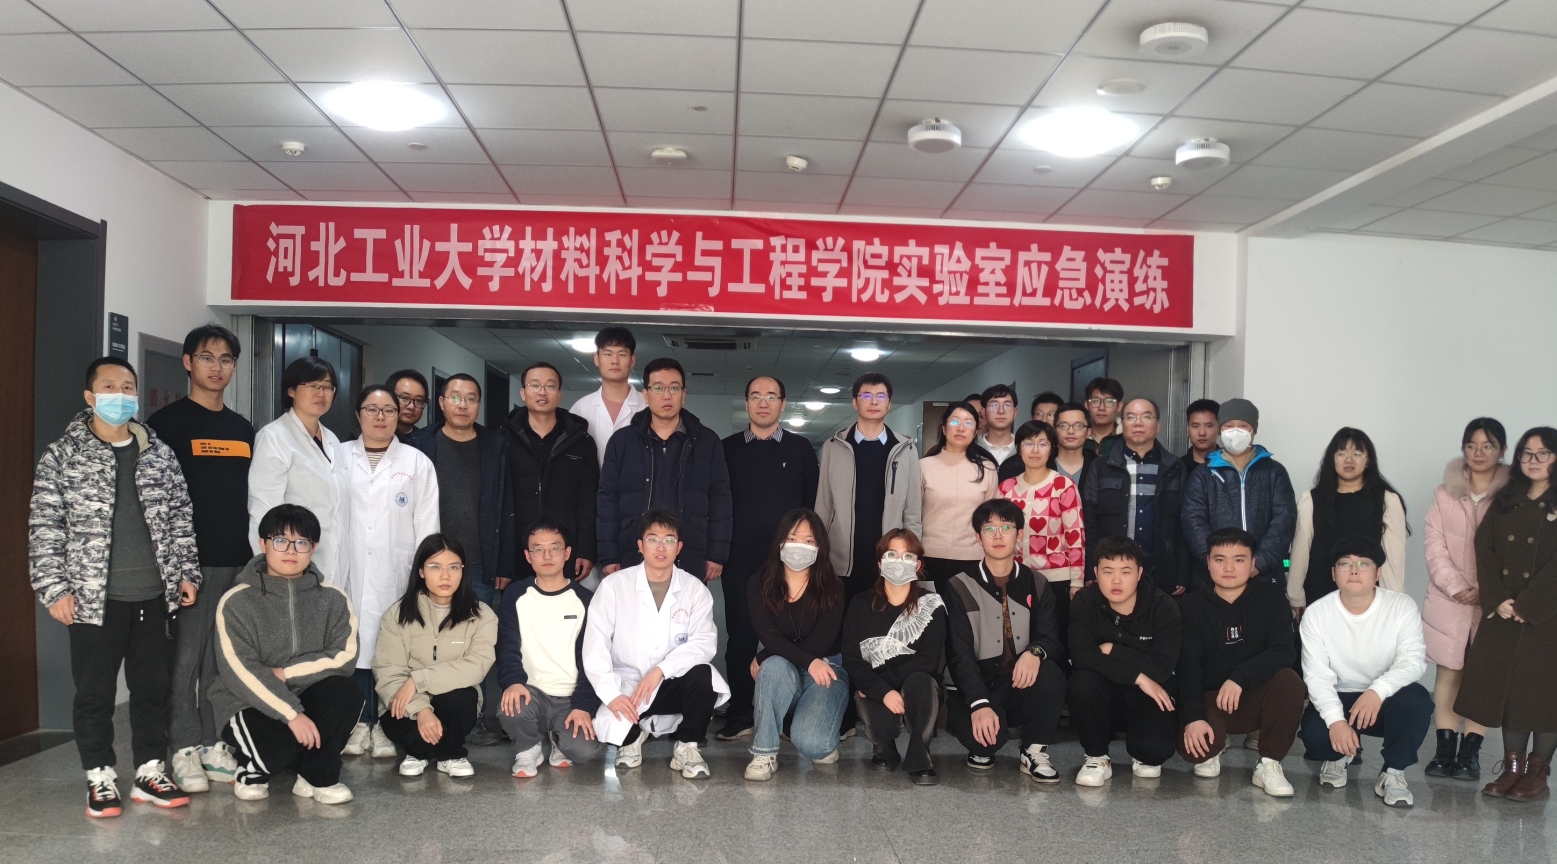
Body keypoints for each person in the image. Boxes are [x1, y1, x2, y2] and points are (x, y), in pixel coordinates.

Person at [31, 357, 201, 817]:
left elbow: (180, 516)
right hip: (93, 600)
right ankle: (100, 774)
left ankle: (150, 770)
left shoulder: (158, 452)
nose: (120, 395)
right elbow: (45, 526)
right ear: (90, 396)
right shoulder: (63, 455)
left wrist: (187, 573)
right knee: (95, 694)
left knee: (152, 690)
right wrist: (54, 589)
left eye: (128, 387)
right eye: (109, 387)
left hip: (154, 595)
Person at [149, 325, 254, 792]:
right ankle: (184, 747)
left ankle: (215, 743)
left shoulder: (242, 428)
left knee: (222, 659)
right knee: (185, 661)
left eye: (226, 359)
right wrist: (172, 564)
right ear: (188, 362)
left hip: (239, 559)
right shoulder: (166, 426)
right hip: (191, 564)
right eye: (207, 357)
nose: (217, 367)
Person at [212, 504, 362, 804]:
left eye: (301, 542)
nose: (291, 550)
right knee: (278, 751)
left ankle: (317, 776)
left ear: (313, 547)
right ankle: (252, 769)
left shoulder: (333, 598)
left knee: (345, 691)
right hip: (247, 699)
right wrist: (292, 714)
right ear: (263, 544)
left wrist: (286, 673)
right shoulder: (236, 601)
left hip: (307, 692)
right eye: (280, 540)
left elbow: (344, 656)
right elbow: (239, 670)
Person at [583, 509, 729, 778]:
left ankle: (687, 745)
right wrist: (611, 694)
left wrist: (661, 670)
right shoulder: (614, 586)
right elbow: (595, 645)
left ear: (679, 547)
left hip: (671, 683)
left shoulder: (694, 589)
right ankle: (632, 739)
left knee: (704, 675)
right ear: (640, 545)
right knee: (619, 724)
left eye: (669, 540)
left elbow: (704, 642)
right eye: (653, 539)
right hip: (626, 686)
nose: (661, 547)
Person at [408, 372, 511, 744]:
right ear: (441, 402)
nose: (462, 405)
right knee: (425, 639)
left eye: (470, 398)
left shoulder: (496, 445)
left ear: (478, 404)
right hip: (431, 560)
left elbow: (507, 505)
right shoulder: (419, 443)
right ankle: (423, 713)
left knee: (472, 642)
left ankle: (475, 718)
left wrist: (503, 562)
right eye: (455, 397)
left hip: (479, 561)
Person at [1457, 426, 1557, 802]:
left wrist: (1530, 605)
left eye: (1543, 453)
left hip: (1547, 617)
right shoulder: (1507, 498)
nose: (1533, 460)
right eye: (1527, 453)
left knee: (1543, 697)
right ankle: (1512, 770)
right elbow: (1484, 547)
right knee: (1511, 694)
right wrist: (1497, 598)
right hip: (1504, 612)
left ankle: (1537, 774)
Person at [340, 384, 440, 760]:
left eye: (389, 410)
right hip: (347, 568)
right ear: (358, 414)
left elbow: (427, 526)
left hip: (396, 573)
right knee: (352, 647)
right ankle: (356, 723)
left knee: (390, 651)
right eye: (372, 409)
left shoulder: (416, 463)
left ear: (399, 417)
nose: (380, 417)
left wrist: (425, 578)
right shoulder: (337, 456)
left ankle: (382, 724)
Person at [717, 375, 819, 742]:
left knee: (792, 635)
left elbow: (812, 508)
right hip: (739, 561)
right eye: (756, 396)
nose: (763, 403)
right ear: (746, 402)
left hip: (791, 565)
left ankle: (788, 714)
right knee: (741, 638)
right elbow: (718, 504)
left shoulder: (800, 449)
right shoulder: (726, 449)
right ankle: (741, 712)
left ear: (783, 403)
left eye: (771, 396)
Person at [1298, 535, 1430, 808]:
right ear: (1334, 574)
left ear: (1378, 573)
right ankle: (1339, 756)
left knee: (1416, 700)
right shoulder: (1317, 614)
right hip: (1341, 695)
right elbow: (1317, 675)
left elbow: (1413, 661)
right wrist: (1336, 721)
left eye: (1364, 563)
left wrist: (1377, 691)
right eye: (1345, 564)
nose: (1354, 570)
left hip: (1386, 698)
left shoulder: (1401, 606)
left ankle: (1393, 772)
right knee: (1315, 736)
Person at [942, 499, 1066, 782]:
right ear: (978, 537)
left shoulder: (1037, 582)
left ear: (1019, 535)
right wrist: (979, 704)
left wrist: (1034, 652)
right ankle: (983, 731)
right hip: (979, 685)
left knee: (1050, 672)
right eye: (989, 529)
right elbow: (959, 653)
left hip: (1020, 683)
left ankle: (1034, 750)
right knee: (983, 746)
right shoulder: (959, 585)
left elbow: (1050, 637)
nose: (998, 536)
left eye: (1006, 528)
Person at [1176, 528, 1304, 796]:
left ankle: (1269, 764)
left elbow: (1284, 651)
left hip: (1253, 696)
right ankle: (1215, 744)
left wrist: (1240, 677)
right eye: (1220, 559)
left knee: (1289, 681)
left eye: (1239, 559)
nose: (1229, 568)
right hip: (1211, 699)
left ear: (1252, 562)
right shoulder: (1189, 606)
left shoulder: (1272, 599)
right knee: (1195, 753)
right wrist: (1194, 717)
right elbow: (1187, 667)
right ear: (1208, 562)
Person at [1421, 417, 1508, 781]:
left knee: (1483, 677)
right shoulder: (1445, 493)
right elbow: (1434, 545)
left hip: (1496, 601)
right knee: (1448, 673)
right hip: (1449, 600)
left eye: (1488, 445)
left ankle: (1470, 754)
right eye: (1472, 445)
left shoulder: (1512, 495)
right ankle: (1444, 751)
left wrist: (1490, 590)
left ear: (1502, 450)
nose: (1479, 452)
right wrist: (1457, 586)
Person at [373, 533, 497, 779]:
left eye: (453, 567)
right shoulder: (396, 615)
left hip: (452, 705)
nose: (445, 576)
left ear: (463, 571)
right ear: (421, 571)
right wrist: (421, 710)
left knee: (462, 699)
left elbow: (476, 666)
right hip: (407, 706)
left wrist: (419, 680)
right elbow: (388, 672)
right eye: (435, 567)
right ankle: (418, 753)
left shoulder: (482, 615)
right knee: (401, 722)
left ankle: (450, 754)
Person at [598, 358, 731, 582]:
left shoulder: (707, 442)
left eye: (674, 388)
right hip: (632, 552)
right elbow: (607, 499)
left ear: (684, 394)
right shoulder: (622, 442)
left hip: (689, 553)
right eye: (658, 388)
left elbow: (721, 500)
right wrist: (609, 554)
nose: (667, 396)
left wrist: (717, 554)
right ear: (646, 394)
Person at [742, 509, 848, 780]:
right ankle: (764, 753)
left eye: (808, 540)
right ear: (780, 542)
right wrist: (773, 653)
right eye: (792, 538)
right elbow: (769, 635)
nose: (799, 545)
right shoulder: (759, 583)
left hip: (825, 667)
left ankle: (813, 726)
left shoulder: (833, 587)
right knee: (774, 666)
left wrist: (765, 653)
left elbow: (820, 643)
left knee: (814, 746)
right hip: (789, 667)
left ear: (819, 547)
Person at [1067, 537, 1181, 786]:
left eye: (1125, 572)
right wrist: (1138, 677)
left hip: (1149, 691)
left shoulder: (1163, 606)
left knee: (1153, 753)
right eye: (1108, 571)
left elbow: (1161, 668)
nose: (1116, 581)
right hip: (1107, 689)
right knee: (1082, 681)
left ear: (1139, 574)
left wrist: (1113, 649)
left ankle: (1143, 749)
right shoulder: (1085, 601)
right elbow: (1082, 656)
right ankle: (1097, 757)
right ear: (1096, 573)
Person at [497, 518, 603, 777]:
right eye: (538, 549)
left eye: (554, 548)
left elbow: (593, 659)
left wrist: (583, 705)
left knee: (583, 751)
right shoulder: (516, 595)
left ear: (567, 553)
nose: (547, 556)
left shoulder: (586, 600)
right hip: (531, 691)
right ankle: (528, 747)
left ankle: (558, 741)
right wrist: (513, 682)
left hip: (570, 696)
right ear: (528, 556)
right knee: (510, 708)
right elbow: (507, 647)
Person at [841, 528, 947, 786]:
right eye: (891, 554)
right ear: (880, 563)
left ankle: (920, 756)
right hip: (874, 685)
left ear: (918, 565)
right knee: (882, 726)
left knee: (922, 682)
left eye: (908, 556)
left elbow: (929, 659)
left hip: (915, 683)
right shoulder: (859, 604)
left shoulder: (932, 604)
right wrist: (881, 691)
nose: (899, 561)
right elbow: (852, 659)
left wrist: (887, 685)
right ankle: (884, 749)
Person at [815, 372, 923, 602]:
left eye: (881, 396)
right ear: (855, 402)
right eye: (866, 395)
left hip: (890, 558)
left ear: (889, 403)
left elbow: (912, 510)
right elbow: (823, 506)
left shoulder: (905, 449)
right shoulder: (834, 446)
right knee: (843, 619)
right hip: (842, 559)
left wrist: (911, 555)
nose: (874, 401)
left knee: (884, 619)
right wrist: (819, 553)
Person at [248, 356, 351, 585]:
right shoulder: (274, 437)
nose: (321, 393)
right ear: (291, 390)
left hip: (333, 564)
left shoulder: (333, 440)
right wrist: (270, 571)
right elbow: (264, 510)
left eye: (327, 387)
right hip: (290, 567)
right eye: (313, 385)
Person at [1288, 428, 1409, 612]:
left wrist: (1393, 602)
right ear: (1332, 459)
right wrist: (1295, 595)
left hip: (1369, 599)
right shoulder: (1311, 500)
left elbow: (1393, 559)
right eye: (1341, 453)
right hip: (1320, 594)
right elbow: (1300, 552)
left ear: (1368, 460)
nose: (1349, 460)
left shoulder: (1386, 500)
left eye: (1357, 454)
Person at [1182, 398, 1296, 589]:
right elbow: (1193, 522)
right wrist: (1217, 562)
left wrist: (1258, 563)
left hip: (1264, 576)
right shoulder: (1203, 474)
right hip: (1214, 577)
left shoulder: (1274, 472)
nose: (1235, 431)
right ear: (1221, 430)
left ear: (1253, 431)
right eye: (1229, 425)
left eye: (1242, 425)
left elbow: (1284, 521)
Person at [1081, 398, 1190, 596]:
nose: (1138, 423)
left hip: (1161, 570)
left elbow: (1184, 525)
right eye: (1130, 417)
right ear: (1122, 424)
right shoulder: (1101, 466)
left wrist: (1182, 573)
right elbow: (1089, 523)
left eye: (1146, 417)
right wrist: (1090, 569)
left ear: (1158, 425)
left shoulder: (1174, 467)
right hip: (1112, 569)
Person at [504, 361, 598, 584]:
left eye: (550, 386)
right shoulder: (503, 441)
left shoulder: (581, 442)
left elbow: (589, 501)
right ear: (523, 393)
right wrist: (501, 559)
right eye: (535, 385)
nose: (542, 392)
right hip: (518, 551)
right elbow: (498, 502)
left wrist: (586, 549)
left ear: (560, 394)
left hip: (564, 550)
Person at [998, 421, 1083, 654]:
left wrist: (1077, 581)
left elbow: (1075, 535)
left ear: (1052, 448)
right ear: (1018, 448)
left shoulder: (1063, 485)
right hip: (1015, 577)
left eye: (1042, 443)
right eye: (1028, 443)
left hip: (1056, 579)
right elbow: (998, 533)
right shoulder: (1006, 488)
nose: (1035, 450)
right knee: (1019, 641)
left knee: (1055, 641)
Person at [919, 401, 1000, 586]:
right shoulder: (923, 466)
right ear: (944, 429)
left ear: (976, 431)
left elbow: (990, 519)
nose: (961, 428)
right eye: (955, 422)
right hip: (928, 557)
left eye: (968, 423)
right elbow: (913, 516)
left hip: (973, 558)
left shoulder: (987, 468)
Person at [570, 326, 645, 468]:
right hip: (592, 481)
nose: (614, 361)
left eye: (622, 354)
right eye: (608, 354)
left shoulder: (647, 406)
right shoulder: (580, 408)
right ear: (596, 359)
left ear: (632, 360)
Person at [1051, 402, 1096, 487]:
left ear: (1088, 432)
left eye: (1078, 426)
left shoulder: (1099, 466)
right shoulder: (1042, 464)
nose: (1070, 431)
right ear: (1055, 431)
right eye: (1063, 426)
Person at [977, 383, 1020, 467]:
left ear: (1015, 412)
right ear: (984, 412)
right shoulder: (971, 448)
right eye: (994, 405)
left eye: (1007, 405)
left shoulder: (1025, 448)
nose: (1001, 411)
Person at [1082, 377, 1124, 456]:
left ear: (1119, 406)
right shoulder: (1076, 435)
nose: (1101, 408)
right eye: (1095, 401)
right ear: (1087, 405)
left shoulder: (1128, 437)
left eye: (1109, 401)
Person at [386, 368, 430, 442]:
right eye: (405, 398)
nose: (411, 407)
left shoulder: (426, 442)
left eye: (418, 400)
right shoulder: (370, 435)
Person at [1183, 398, 1221, 467]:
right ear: (1187, 430)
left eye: (1209, 426)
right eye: (1195, 426)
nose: (1202, 433)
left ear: (1219, 429)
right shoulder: (1178, 468)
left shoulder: (1230, 466)